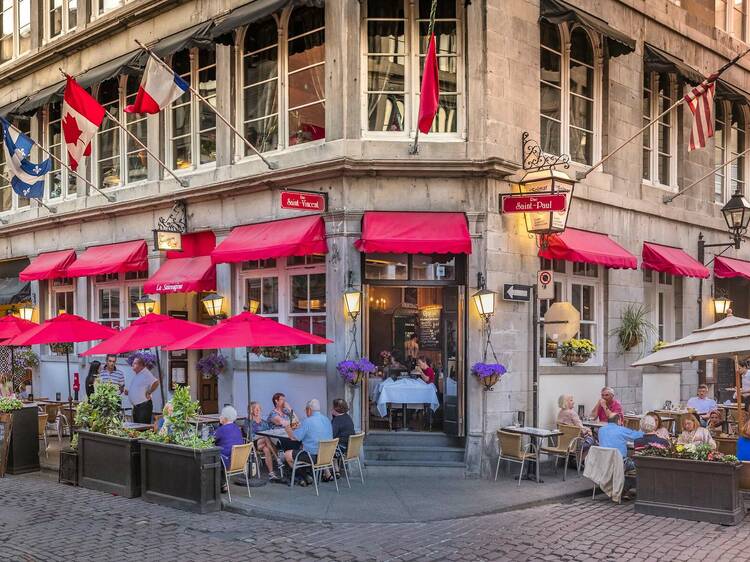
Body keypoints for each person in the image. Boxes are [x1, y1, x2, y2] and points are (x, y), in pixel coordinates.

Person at [283, 398, 333, 486]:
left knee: (287, 454)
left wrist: (288, 430)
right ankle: (309, 474)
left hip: (313, 457)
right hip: (327, 455)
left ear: (309, 409)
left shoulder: (307, 421)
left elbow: (294, 438)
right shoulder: (326, 419)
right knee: (302, 447)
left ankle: (304, 476)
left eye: (306, 410)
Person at [246, 401, 281, 481]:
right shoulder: (248, 421)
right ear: (251, 410)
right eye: (255, 409)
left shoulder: (263, 422)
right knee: (265, 437)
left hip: (263, 444)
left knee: (266, 449)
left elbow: (269, 432)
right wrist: (261, 435)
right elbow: (248, 434)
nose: (258, 411)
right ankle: (277, 458)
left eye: (259, 409)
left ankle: (271, 473)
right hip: (253, 444)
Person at [213, 405, 245, 493]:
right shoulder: (237, 428)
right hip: (239, 462)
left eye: (221, 415)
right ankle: (223, 484)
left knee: (212, 456)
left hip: (227, 462)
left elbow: (210, 440)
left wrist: (219, 425)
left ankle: (221, 485)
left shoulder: (221, 430)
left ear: (225, 418)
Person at [125, 357, 158, 424]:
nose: (132, 365)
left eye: (134, 363)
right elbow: (139, 388)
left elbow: (156, 382)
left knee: (143, 427)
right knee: (137, 428)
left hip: (143, 406)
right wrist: (129, 392)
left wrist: (149, 392)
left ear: (140, 365)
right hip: (137, 407)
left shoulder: (146, 373)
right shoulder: (139, 374)